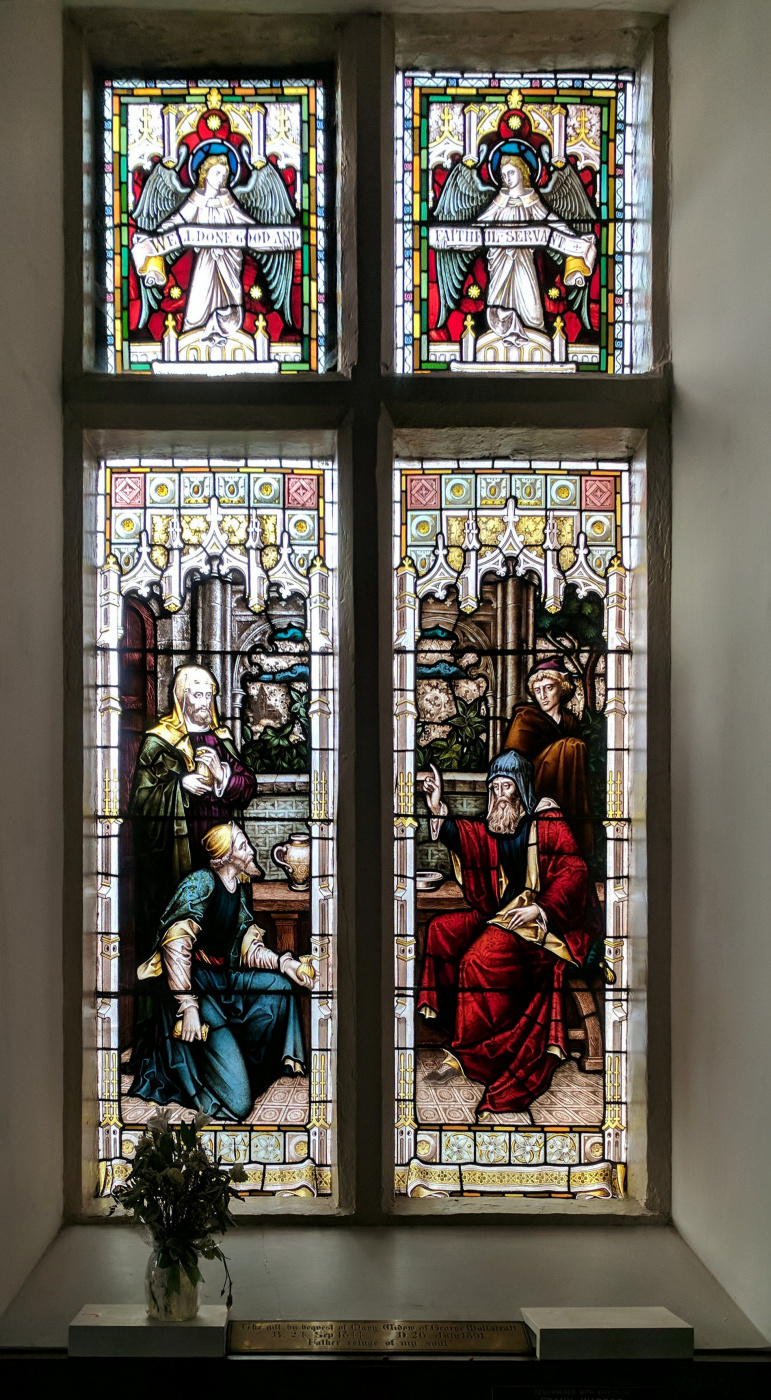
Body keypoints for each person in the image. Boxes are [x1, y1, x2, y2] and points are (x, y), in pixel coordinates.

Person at [418, 750, 595, 1117]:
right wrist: (438, 809)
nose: (500, 794)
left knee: (478, 961)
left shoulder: (547, 821)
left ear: (522, 789)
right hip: (503, 915)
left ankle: (476, 1055)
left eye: (507, 786)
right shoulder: (500, 822)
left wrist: (542, 907)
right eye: (495, 786)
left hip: (542, 927)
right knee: (440, 931)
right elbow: (473, 840)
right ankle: (457, 1037)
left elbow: (574, 873)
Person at [131, 823, 314, 1121]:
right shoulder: (202, 883)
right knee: (240, 1105)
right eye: (242, 846)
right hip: (194, 986)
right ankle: (224, 1079)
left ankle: (243, 1065)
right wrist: (188, 1005)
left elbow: (247, 948)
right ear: (225, 857)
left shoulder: (237, 888)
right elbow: (176, 944)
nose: (250, 850)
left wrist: (285, 963)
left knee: (278, 988)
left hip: (223, 982)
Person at [129, 664, 257, 969]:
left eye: (208, 695)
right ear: (181, 698)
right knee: (185, 919)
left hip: (223, 850)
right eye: (197, 694)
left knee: (221, 919)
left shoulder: (221, 740)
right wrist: (180, 785)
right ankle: (179, 991)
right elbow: (141, 802)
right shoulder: (159, 741)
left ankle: (221, 987)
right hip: (180, 853)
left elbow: (247, 786)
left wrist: (223, 777)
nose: (204, 702)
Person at [478, 154, 594, 359]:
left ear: (522, 172)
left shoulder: (531, 200)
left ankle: (534, 343)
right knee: (496, 305)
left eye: (511, 172)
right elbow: (479, 226)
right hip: (500, 262)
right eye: (504, 174)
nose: (507, 178)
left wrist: (574, 239)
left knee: (532, 311)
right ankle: (503, 334)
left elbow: (553, 222)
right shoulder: (499, 201)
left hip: (523, 262)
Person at [157, 154, 255, 344]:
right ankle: (195, 337)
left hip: (229, 259)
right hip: (206, 259)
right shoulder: (196, 199)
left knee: (232, 302)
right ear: (206, 173)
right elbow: (178, 220)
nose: (221, 178)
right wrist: (157, 235)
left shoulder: (228, 200)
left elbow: (247, 224)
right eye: (217, 173)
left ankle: (225, 334)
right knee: (198, 301)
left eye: (224, 175)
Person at [504, 656, 593, 858]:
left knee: (573, 746)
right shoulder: (525, 719)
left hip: (568, 797)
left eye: (549, 688)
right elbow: (510, 766)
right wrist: (530, 802)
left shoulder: (570, 722)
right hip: (535, 791)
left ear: (562, 687)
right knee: (571, 746)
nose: (542, 696)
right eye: (537, 690)